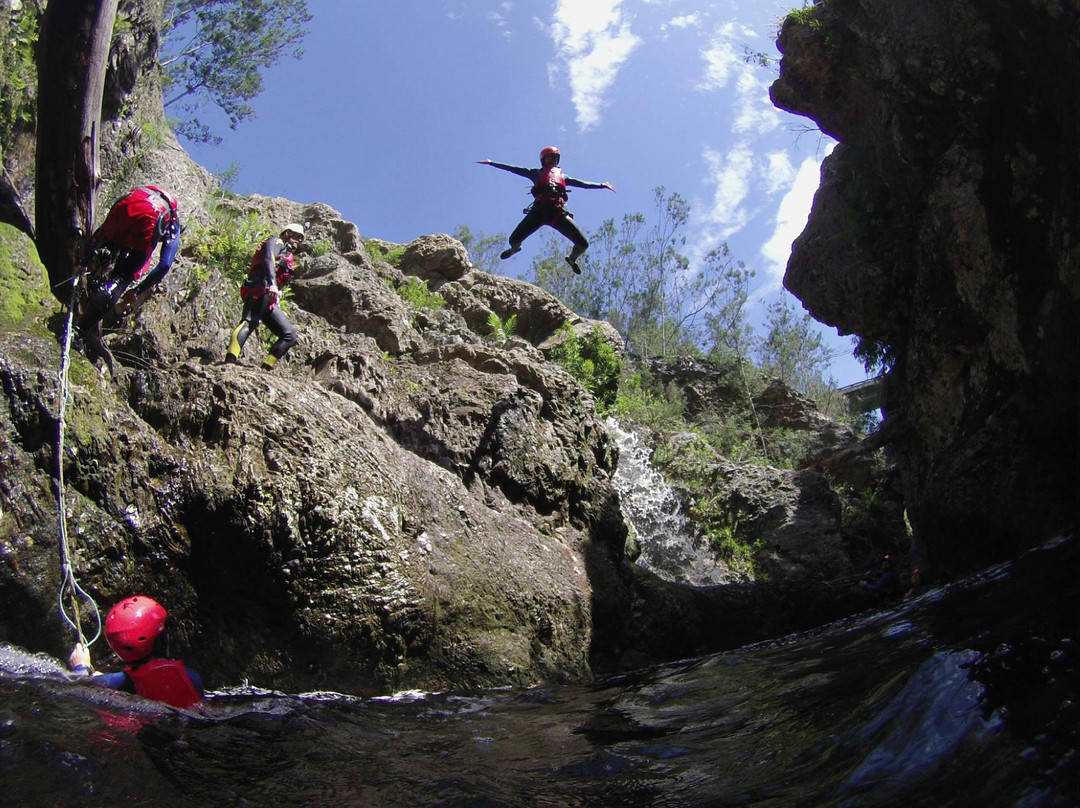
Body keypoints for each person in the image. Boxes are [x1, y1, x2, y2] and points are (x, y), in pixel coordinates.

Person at [77, 185, 182, 373]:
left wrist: (84, 259)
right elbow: (165, 264)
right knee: (121, 278)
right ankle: (80, 331)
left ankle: (87, 283)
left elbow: (102, 231)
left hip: (126, 203)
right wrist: (136, 291)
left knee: (106, 246)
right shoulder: (173, 222)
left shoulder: (145, 194)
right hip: (151, 218)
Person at [477, 146, 615, 274]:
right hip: (539, 212)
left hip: (558, 214)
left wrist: (602, 185)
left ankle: (572, 259)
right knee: (514, 239)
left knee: (583, 244)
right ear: (543, 159)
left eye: (554, 157)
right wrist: (491, 163)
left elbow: (583, 184)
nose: (552, 159)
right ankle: (515, 249)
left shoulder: (563, 177)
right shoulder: (535, 173)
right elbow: (513, 169)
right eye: (549, 156)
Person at [67, 595, 204, 709]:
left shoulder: (121, 682)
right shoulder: (192, 677)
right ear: (162, 639)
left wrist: (81, 667)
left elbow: (79, 687)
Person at [224, 223, 304, 369]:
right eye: (297, 237)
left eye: (301, 239)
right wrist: (272, 283)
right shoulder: (276, 241)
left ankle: (266, 368)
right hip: (260, 285)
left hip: (270, 296)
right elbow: (268, 258)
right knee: (250, 321)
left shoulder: (287, 253)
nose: (299, 241)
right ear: (287, 233)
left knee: (289, 336)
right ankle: (230, 360)